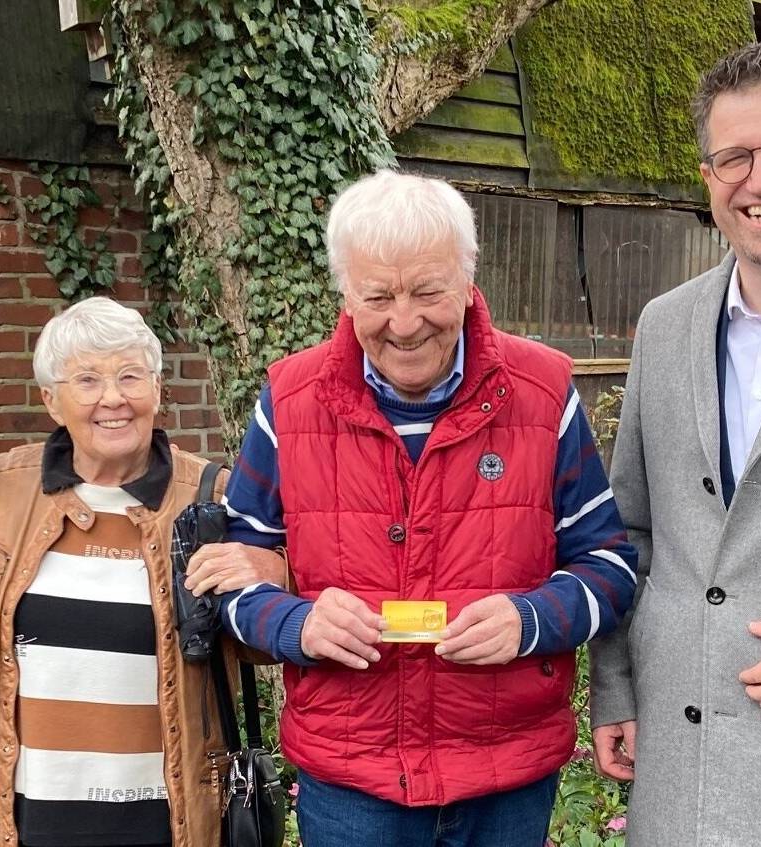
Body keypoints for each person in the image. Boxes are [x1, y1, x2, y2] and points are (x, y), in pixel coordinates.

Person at [185, 170, 637, 847]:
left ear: (466, 277)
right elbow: (234, 578)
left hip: (504, 773)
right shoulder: (291, 398)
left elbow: (611, 566)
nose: (404, 322)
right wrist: (297, 622)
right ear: (345, 292)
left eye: (428, 291)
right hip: (352, 782)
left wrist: (531, 617)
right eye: (378, 296)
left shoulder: (542, 392)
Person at [589, 39, 761, 847]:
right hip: (678, 782)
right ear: (709, 180)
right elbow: (631, 531)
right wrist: (614, 688)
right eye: (735, 158)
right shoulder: (664, 325)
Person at [0, 297, 285, 847]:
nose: (113, 398)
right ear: (51, 400)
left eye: (129, 376)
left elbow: (260, 645)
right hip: (31, 816)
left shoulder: (212, 497)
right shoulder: (5, 488)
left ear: (158, 390)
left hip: (169, 817)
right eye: (87, 380)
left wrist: (274, 573)